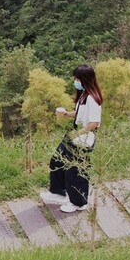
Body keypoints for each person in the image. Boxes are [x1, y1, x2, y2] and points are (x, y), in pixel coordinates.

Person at [40, 64, 103, 213]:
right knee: (58, 159)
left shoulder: (93, 99)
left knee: (76, 170)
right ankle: (58, 192)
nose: (75, 82)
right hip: (74, 135)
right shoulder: (84, 95)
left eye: (77, 79)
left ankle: (79, 203)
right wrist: (69, 114)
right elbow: (81, 113)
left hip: (82, 139)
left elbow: (94, 123)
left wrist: (79, 132)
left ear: (85, 80)